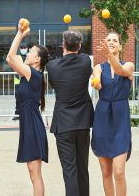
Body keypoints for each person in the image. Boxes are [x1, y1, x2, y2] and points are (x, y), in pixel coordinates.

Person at [47, 30, 94, 196]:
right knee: (83, 168)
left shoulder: (52, 67)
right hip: (82, 123)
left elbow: (54, 84)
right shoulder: (85, 61)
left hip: (64, 124)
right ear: (80, 46)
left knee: (69, 171)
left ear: (63, 45)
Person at [6, 19, 49, 196]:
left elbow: (10, 57)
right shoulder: (27, 73)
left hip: (33, 127)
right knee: (32, 174)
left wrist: (20, 34)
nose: (27, 53)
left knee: (35, 174)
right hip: (29, 126)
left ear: (37, 59)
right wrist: (21, 34)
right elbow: (12, 58)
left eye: (30, 52)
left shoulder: (34, 74)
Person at [91, 31, 134, 196]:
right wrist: (96, 85)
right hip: (102, 118)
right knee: (106, 171)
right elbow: (97, 82)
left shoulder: (129, 65)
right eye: (108, 40)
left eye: (114, 40)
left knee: (119, 172)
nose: (111, 42)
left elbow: (121, 70)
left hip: (121, 118)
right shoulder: (98, 67)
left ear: (120, 46)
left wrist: (109, 54)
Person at [12, 42, 28, 121]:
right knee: (18, 97)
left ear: (27, 49)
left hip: (26, 79)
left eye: (24, 48)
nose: (23, 49)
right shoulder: (17, 57)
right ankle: (17, 113)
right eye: (22, 48)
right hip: (18, 79)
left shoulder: (28, 57)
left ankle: (25, 113)